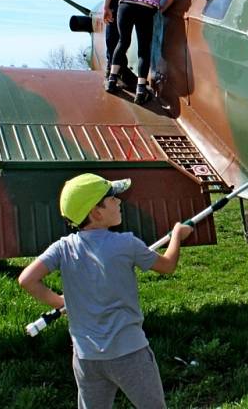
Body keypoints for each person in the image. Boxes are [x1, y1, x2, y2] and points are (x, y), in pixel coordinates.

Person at [18, 173, 192, 409]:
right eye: (111, 198)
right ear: (96, 212)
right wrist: (177, 236)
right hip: (130, 355)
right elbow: (168, 265)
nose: (119, 201)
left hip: (86, 358)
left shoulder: (63, 247)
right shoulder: (127, 244)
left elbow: (27, 279)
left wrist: (59, 301)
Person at [103, 0, 176, 104]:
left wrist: (106, 8)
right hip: (147, 8)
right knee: (144, 50)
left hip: (126, 5)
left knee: (123, 42)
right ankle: (141, 90)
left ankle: (112, 81)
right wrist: (163, 8)